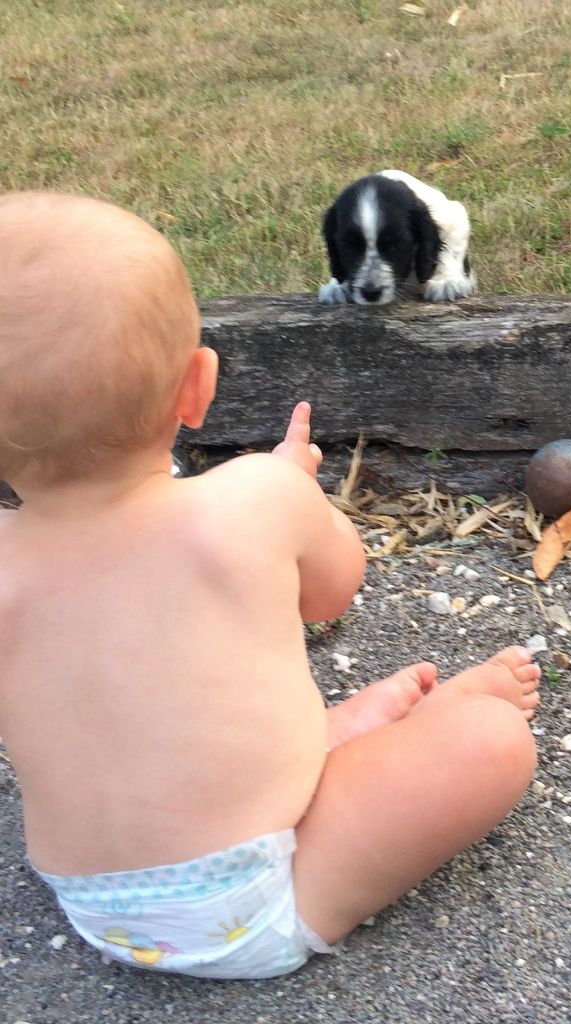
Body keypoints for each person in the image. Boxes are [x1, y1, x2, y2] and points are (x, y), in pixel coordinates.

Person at [0, 192, 539, 979]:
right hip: (249, 906)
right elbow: (330, 593)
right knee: (492, 743)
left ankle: (330, 740)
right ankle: (406, 731)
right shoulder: (253, 497)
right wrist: (294, 495)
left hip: (96, 909)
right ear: (198, 386)